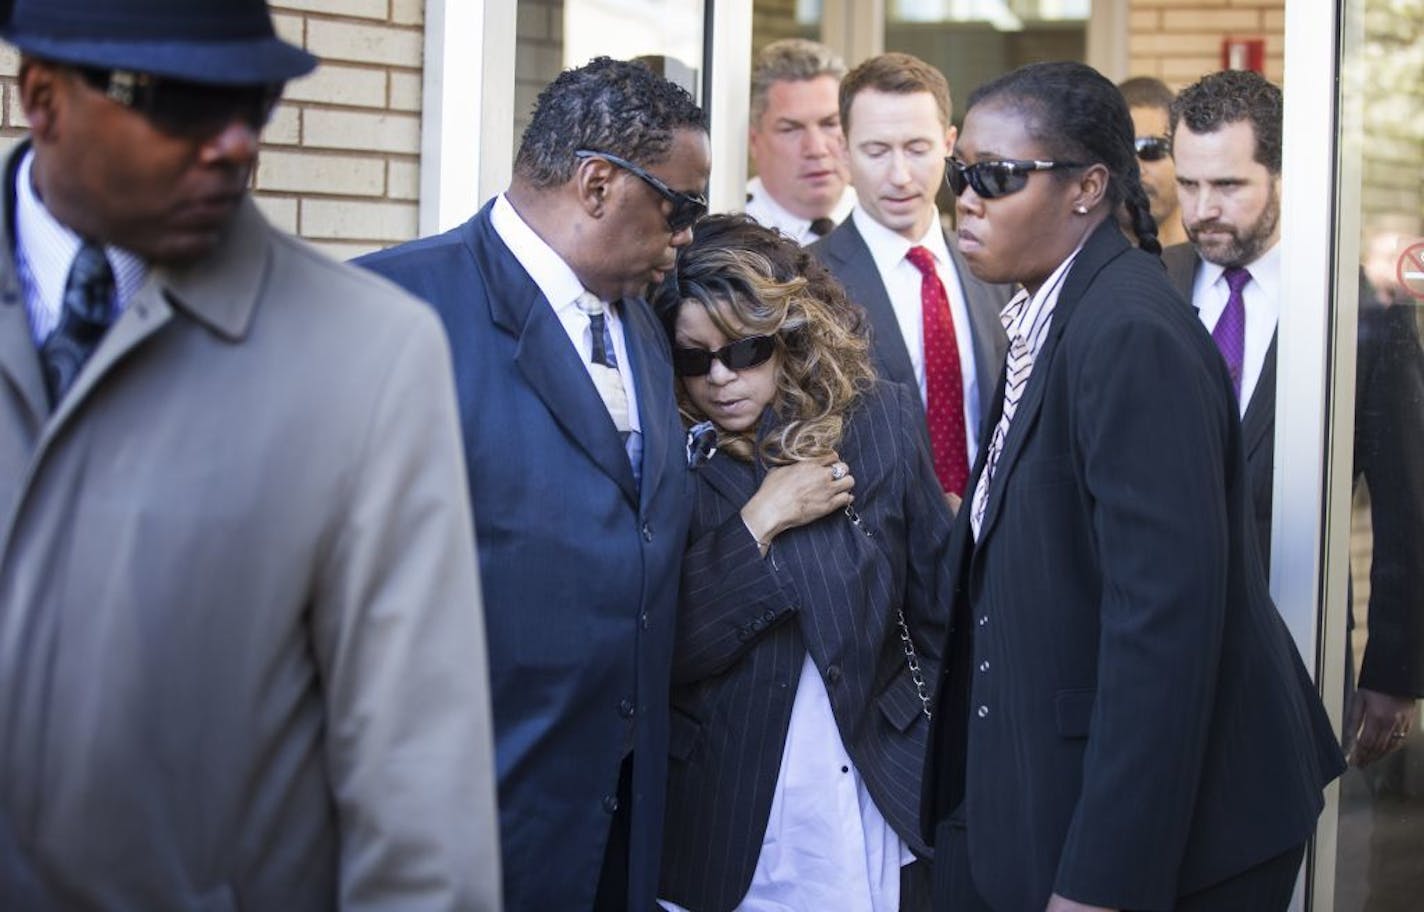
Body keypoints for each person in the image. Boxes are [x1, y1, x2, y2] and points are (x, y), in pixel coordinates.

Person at [0, 0, 501, 909]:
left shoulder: (369, 356)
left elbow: (419, 803)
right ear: (44, 97)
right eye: (184, 103)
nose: (235, 145)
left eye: (257, 103)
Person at [921, 60, 1344, 911]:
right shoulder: (1053, 310)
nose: (965, 198)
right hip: (1054, 785)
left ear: (1087, 189)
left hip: (1185, 836)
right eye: (959, 174)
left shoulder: (1129, 336)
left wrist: (1102, 881)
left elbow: (1165, 631)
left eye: (995, 177)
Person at [356, 57, 708, 912]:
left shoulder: (645, 324)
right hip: (464, 839)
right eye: (680, 206)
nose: (688, 236)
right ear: (596, 184)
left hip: (621, 837)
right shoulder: (389, 312)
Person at [651, 214, 952, 912]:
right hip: (728, 813)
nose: (720, 379)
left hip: (877, 787)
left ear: (788, 336)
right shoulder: (666, 456)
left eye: (744, 351)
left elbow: (937, 602)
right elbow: (668, 644)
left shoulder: (877, 419)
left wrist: (922, 728)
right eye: (694, 360)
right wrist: (762, 517)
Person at [1166, 69, 1424, 768]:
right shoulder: (1148, 282)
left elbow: (1408, 502)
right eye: (1189, 184)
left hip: (1298, 641)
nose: (1202, 209)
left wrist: (1392, 671)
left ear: (1284, 175)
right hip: (1156, 651)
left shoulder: (1360, 310)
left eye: (1228, 186)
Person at [812, 52, 1009, 504]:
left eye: (917, 149)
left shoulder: (999, 269)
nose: (900, 176)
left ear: (949, 143)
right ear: (843, 150)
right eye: (876, 151)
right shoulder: (808, 283)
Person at [745, 38, 856, 245]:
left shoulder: (880, 219)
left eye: (830, 124)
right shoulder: (728, 235)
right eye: (791, 129)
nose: (816, 149)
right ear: (754, 141)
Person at [1116, 76, 1188, 247]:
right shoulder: (1082, 264)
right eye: (1120, 151)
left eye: (1151, 149)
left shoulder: (1211, 262)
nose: (1137, 168)